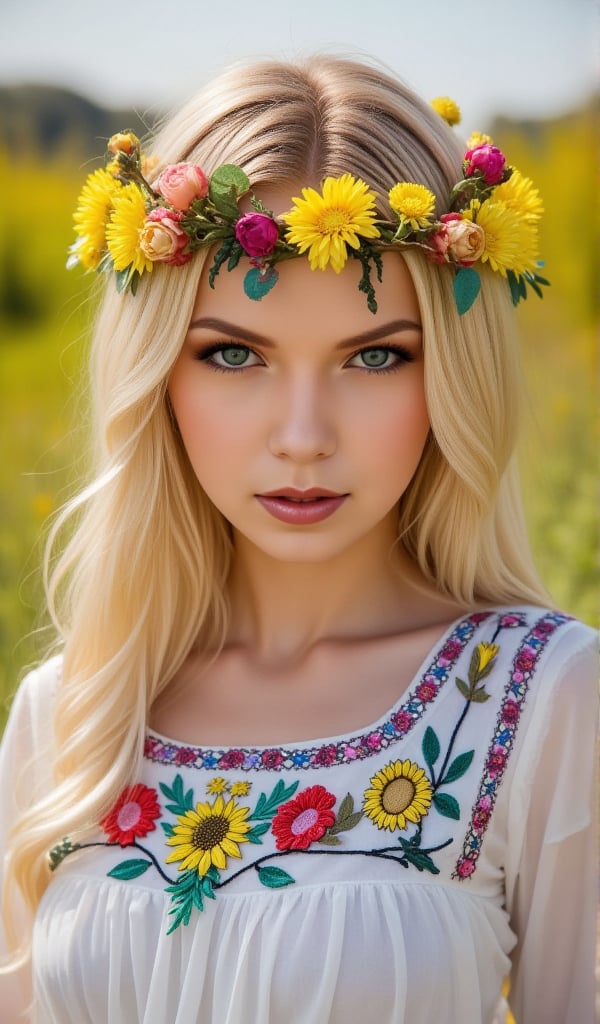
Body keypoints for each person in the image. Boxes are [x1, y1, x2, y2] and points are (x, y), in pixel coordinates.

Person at [0, 55, 596, 1024]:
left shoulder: (540, 696)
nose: (304, 434)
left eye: (376, 356)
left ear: (451, 373)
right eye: (234, 353)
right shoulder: (74, 713)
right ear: (158, 374)